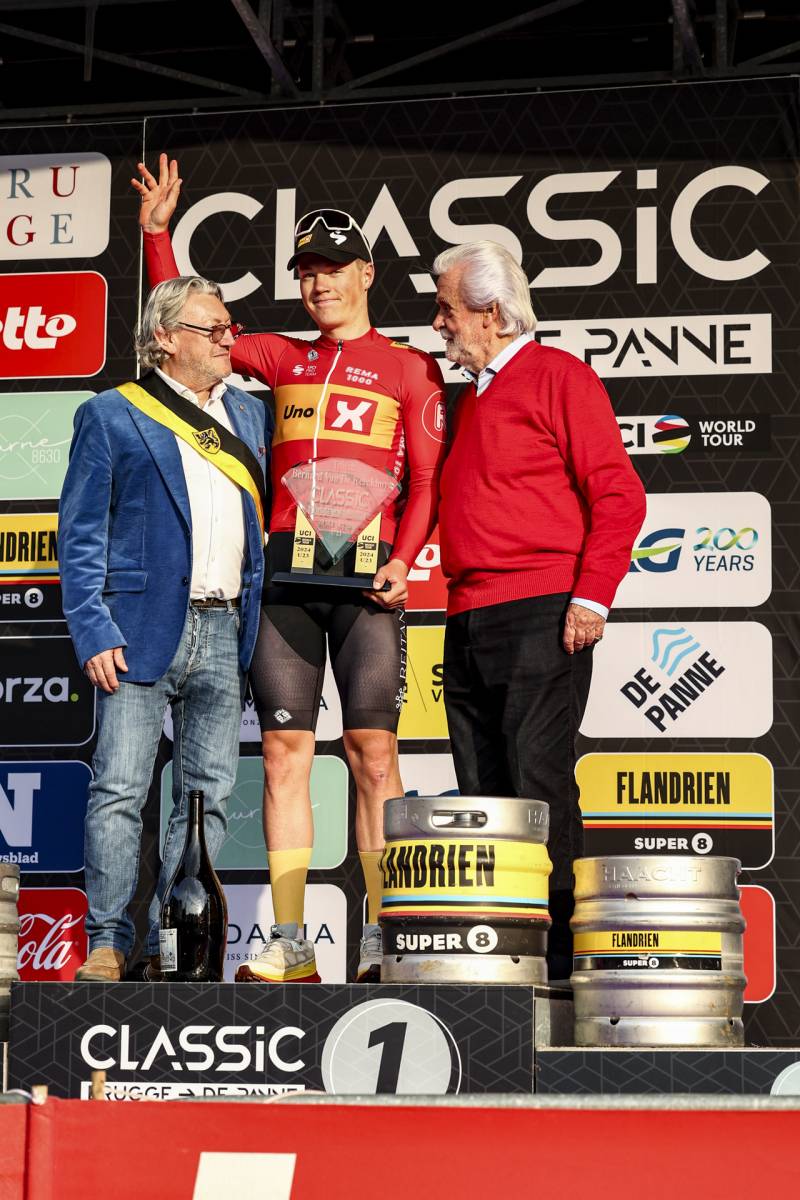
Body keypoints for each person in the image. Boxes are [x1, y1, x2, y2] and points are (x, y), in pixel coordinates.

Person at [133, 155, 446, 984]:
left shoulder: (410, 368)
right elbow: (186, 327)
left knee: (374, 755)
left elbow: (428, 482)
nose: (318, 284)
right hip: (286, 588)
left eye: (333, 268)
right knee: (282, 754)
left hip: (368, 585)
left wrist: (406, 560)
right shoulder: (281, 358)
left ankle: (381, 939)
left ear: (367, 274)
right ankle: (292, 940)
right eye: (306, 272)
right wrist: (159, 237)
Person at [431, 240, 646, 981]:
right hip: (465, 615)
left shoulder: (559, 375)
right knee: (483, 794)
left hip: (542, 609)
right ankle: (504, 956)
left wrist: (591, 596)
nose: (439, 324)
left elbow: (619, 493)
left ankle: (558, 963)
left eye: (447, 310)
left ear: (491, 313)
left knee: (537, 782)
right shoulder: (466, 400)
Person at [59, 275, 271, 982]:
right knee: (120, 791)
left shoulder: (249, 414)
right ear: (165, 338)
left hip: (226, 625)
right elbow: (80, 533)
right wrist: (92, 627)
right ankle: (107, 941)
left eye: (229, 326)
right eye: (212, 329)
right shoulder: (112, 413)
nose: (227, 339)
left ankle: (168, 944)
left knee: (207, 800)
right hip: (137, 629)